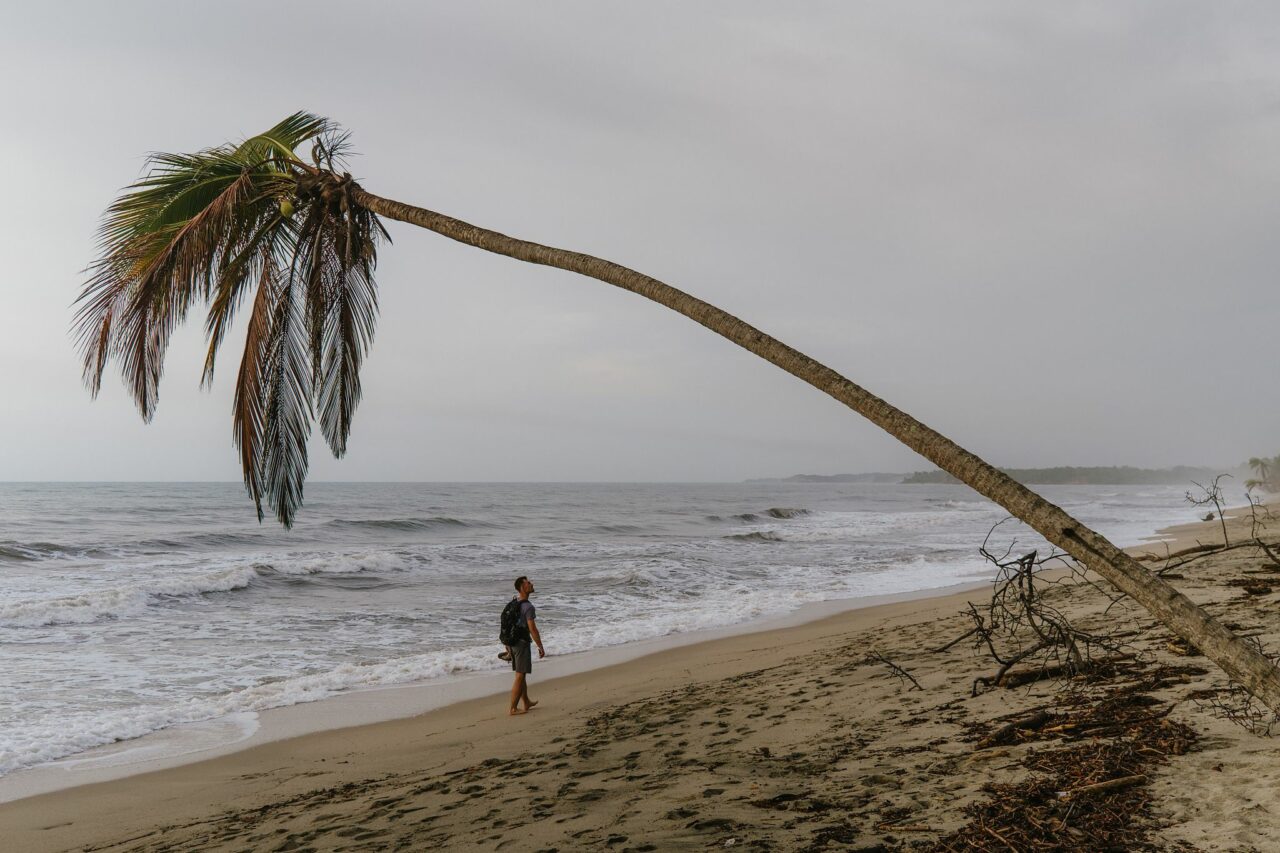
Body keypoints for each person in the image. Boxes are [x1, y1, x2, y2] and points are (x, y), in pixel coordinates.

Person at [507, 575, 544, 715]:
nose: (532, 584)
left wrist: (506, 644)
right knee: (520, 676)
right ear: (522, 587)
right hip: (521, 644)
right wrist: (540, 646)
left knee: (521, 674)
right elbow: (532, 629)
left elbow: (507, 624)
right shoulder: (528, 607)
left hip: (512, 643)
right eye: (528, 583)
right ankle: (513, 708)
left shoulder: (514, 603)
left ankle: (526, 702)